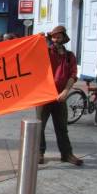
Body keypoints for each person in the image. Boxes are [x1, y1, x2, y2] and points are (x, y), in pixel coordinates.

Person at [37, 25, 83, 166]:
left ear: (64, 38)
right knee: (40, 126)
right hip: (43, 96)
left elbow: (73, 75)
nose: (56, 39)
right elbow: (31, 56)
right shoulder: (45, 52)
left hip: (60, 97)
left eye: (58, 36)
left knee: (62, 127)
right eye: (53, 36)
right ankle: (39, 153)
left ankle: (67, 154)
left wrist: (65, 91)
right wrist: (37, 40)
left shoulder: (70, 56)